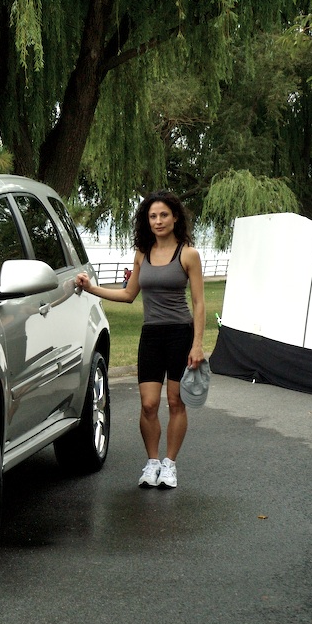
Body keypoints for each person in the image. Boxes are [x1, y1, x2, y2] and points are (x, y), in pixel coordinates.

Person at [75, 190, 205, 489]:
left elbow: (198, 303)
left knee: (175, 402)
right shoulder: (142, 254)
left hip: (180, 334)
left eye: (163, 215)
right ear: (147, 221)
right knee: (148, 404)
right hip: (151, 335)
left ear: (175, 218)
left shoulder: (188, 254)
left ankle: (170, 464)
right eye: (152, 216)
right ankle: (152, 462)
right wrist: (91, 288)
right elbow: (128, 294)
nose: (158, 221)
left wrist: (197, 344)